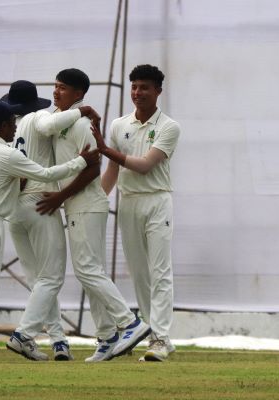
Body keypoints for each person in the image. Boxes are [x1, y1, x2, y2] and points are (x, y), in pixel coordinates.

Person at [0, 100, 100, 361]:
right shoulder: (8, 154)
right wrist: (81, 161)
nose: (15, 129)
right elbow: (47, 174)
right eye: (12, 125)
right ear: (4, 125)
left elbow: (6, 179)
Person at [36, 68, 151, 362]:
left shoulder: (82, 124)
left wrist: (61, 196)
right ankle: (107, 336)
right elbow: (44, 127)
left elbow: (93, 169)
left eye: (62, 88)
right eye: (55, 86)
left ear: (78, 94)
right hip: (78, 205)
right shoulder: (64, 119)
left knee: (88, 269)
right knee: (91, 271)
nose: (55, 92)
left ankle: (130, 323)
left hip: (87, 204)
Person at [2, 80, 100, 361]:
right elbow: (47, 127)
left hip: (14, 209)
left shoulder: (12, 127)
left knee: (39, 281)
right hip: (39, 201)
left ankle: (58, 340)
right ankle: (23, 334)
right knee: (51, 277)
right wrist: (83, 111)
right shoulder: (37, 116)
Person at [92, 64, 180, 362]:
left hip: (157, 201)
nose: (137, 93)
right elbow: (113, 171)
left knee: (160, 271)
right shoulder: (119, 125)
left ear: (157, 91)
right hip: (128, 202)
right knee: (140, 274)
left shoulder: (168, 126)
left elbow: (144, 165)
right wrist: (96, 202)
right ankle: (150, 334)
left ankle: (161, 339)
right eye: (134, 87)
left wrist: (105, 149)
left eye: (144, 87)